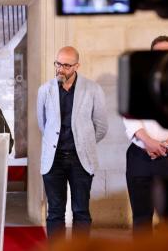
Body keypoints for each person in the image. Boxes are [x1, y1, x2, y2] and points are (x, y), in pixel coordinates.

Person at [37, 46, 108, 239]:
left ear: (77, 66)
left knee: (81, 211)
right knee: (55, 213)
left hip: (81, 160)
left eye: (66, 65)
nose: (60, 69)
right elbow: (43, 125)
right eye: (58, 64)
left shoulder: (93, 89)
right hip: (54, 160)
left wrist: (84, 144)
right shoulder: (45, 90)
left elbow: (101, 126)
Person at [122, 35, 168, 234]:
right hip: (140, 156)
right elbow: (129, 116)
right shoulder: (136, 80)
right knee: (142, 219)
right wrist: (150, 143)